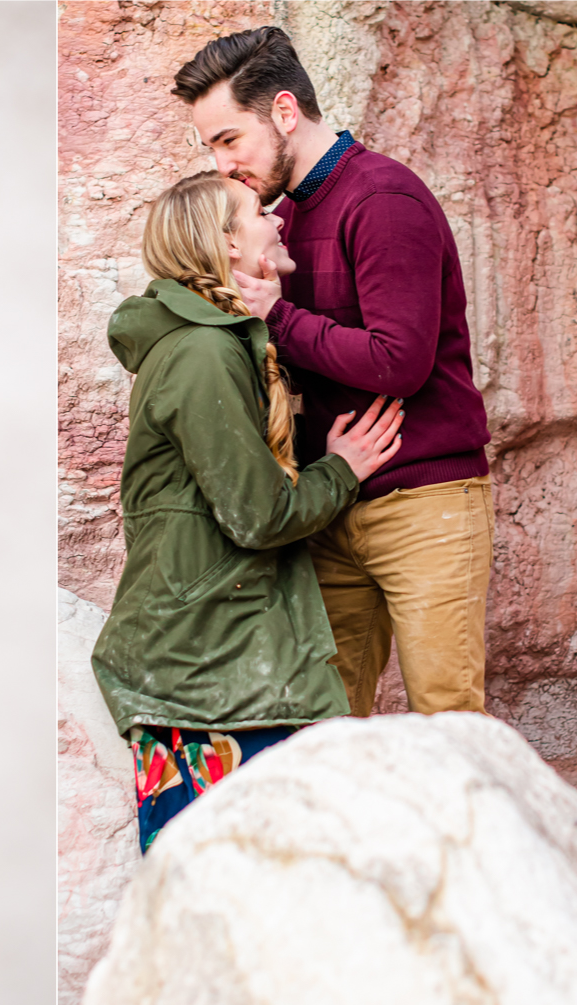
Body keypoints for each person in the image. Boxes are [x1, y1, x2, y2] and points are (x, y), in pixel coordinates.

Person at [172, 27, 496, 719]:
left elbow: (398, 362)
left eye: (230, 140)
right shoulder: (279, 220)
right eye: (212, 148)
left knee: (449, 716)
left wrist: (278, 319)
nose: (223, 164)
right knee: (328, 721)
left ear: (284, 113)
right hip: (328, 503)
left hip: (423, 500)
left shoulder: (381, 198)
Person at [92, 170, 404, 852]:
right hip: (200, 676)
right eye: (260, 212)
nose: (279, 220)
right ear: (227, 246)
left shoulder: (218, 342)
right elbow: (256, 515)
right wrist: (341, 469)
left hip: (221, 670)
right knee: (205, 897)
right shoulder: (203, 352)